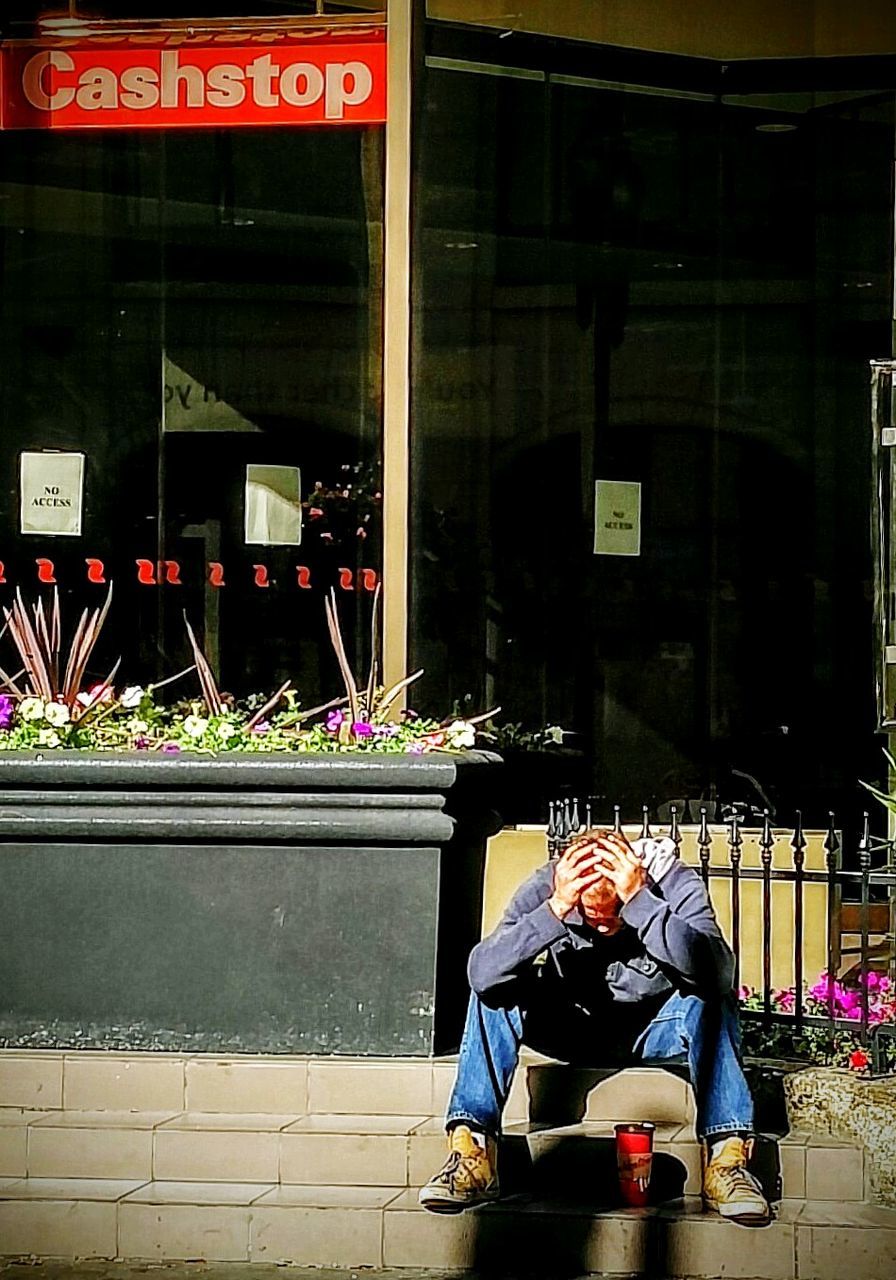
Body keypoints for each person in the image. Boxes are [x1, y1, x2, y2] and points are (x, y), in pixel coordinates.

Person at [419, 828, 770, 1226]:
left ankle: (727, 1160)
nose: (602, 927)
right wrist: (554, 910)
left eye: (614, 915)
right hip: (573, 1026)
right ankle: (473, 1151)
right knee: (493, 988)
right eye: (589, 916)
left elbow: (718, 972)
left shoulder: (672, 881)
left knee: (713, 997)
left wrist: (643, 905)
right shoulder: (550, 883)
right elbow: (481, 972)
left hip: (657, 1028)